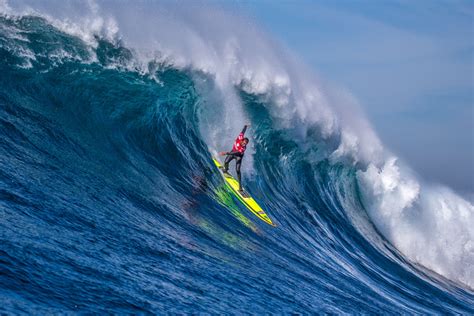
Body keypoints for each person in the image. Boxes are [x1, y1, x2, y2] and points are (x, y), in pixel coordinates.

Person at [219, 124, 250, 192]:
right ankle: (226, 170)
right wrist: (245, 126)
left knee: (238, 170)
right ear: (242, 140)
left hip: (238, 156)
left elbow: (236, 153)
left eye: (246, 144)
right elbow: (243, 132)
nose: (244, 144)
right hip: (232, 152)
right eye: (244, 143)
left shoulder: (243, 148)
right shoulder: (240, 137)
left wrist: (226, 153)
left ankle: (240, 186)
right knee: (226, 162)